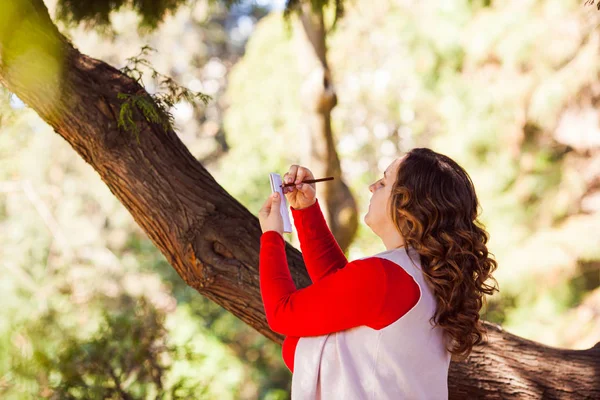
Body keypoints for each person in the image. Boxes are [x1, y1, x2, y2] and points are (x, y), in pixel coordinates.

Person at [258, 147, 499, 399]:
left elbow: (281, 312)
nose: (372, 186)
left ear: (408, 204)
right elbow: (339, 289)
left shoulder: (385, 276)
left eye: (384, 182)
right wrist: (305, 211)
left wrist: (271, 236)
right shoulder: (422, 273)